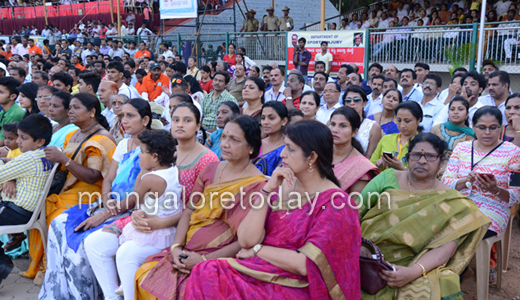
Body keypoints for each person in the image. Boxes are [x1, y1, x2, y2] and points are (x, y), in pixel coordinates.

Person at [183, 119, 361, 299]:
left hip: (297, 284)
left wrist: (257, 251)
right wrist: (266, 191)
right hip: (260, 270)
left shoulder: (336, 203)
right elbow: (246, 240)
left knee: (210, 275)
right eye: (284, 147)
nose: (282, 154)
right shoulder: (280, 187)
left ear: (312, 157)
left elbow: (305, 264)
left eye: (290, 149)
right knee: (206, 272)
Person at [134, 115, 266, 299]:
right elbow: (189, 211)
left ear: (251, 147)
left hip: (219, 259)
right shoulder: (211, 169)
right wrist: (176, 248)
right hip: (187, 249)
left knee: (190, 291)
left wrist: (204, 260)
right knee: (145, 275)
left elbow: (246, 241)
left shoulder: (258, 185)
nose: (225, 144)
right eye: (224, 137)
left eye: (234, 140)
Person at [39, 98, 151, 299]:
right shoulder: (124, 143)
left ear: (145, 120)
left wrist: (107, 212)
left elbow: (139, 192)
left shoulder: (150, 148)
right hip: (109, 203)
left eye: (130, 116)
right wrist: (106, 200)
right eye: (122, 116)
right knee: (58, 224)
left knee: (83, 241)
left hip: (129, 209)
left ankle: (86, 294)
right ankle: (61, 292)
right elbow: (108, 179)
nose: (124, 120)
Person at [358, 133, 490, 299]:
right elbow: (356, 213)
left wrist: (412, 272)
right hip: (368, 255)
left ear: (442, 162)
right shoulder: (387, 177)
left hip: (417, 262)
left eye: (429, 156)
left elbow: (446, 247)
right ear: (407, 158)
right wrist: (359, 246)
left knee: (438, 285)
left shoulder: (450, 199)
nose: (421, 161)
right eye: (416, 155)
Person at [23, 93, 116, 279]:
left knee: (54, 214)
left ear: (92, 112)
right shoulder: (74, 134)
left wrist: (64, 160)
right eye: (70, 107)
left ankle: (56, 271)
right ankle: (44, 266)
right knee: (35, 206)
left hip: (91, 193)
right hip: (69, 188)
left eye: (76, 108)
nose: (71, 111)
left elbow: (92, 176)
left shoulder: (102, 138)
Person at [87, 129, 182, 300]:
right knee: (95, 243)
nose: (139, 155)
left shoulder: (150, 178)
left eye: (143, 152)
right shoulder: (174, 170)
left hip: (155, 232)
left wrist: (141, 172)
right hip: (164, 229)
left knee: (125, 254)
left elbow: (137, 200)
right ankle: (112, 296)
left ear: (155, 157)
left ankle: (129, 294)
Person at [442, 106, 520, 281]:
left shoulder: (513, 152)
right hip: (459, 203)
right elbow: (446, 182)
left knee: (457, 231)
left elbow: (516, 196)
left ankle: (452, 274)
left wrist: (494, 189)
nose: (487, 132)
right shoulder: (462, 148)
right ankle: (452, 272)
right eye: (481, 127)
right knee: (436, 227)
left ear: (501, 127)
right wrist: (465, 181)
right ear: (473, 126)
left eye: (493, 127)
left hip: (493, 209)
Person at [0, 114, 54, 286]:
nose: (19, 142)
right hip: (24, 209)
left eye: (23, 138)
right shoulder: (42, 154)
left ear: (39, 141)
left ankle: (2, 264)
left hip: (17, 211)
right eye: (18, 137)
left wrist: (2, 161)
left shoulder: (28, 158)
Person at [330, 106, 379, 195]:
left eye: (343, 126)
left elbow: (355, 207)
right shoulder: (320, 154)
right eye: (333, 124)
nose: (335, 130)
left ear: (355, 132)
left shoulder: (362, 168)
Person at [370, 101, 423, 171]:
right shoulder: (386, 139)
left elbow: (424, 175)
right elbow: (371, 165)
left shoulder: (423, 143)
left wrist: (402, 169)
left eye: (407, 121)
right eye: (399, 120)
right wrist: (378, 164)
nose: (402, 125)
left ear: (419, 119)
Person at [344, 86, 382, 158]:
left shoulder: (373, 127)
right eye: (348, 100)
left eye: (356, 100)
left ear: (364, 103)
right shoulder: (334, 123)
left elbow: (370, 158)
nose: (352, 103)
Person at [254, 101, 288, 176]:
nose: (265, 122)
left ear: (284, 121)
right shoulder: (257, 144)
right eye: (263, 118)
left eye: (271, 118)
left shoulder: (289, 147)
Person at [0, 77, 25, 147]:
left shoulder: (14, 114)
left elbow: (2, 142)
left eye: (1, 92)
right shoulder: (4, 111)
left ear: (12, 96)